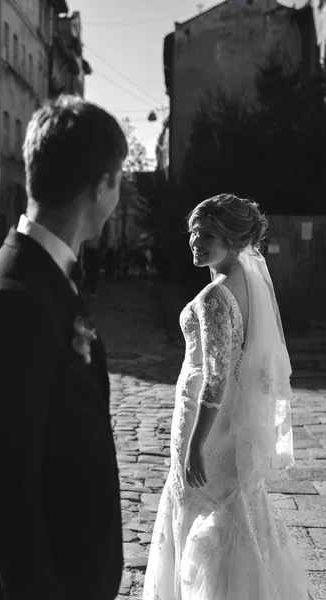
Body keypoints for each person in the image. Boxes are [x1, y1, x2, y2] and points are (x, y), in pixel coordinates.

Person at [0, 95, 127, 600]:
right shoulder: (14, 297)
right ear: (100, 187)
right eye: (118, 181)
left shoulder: (43, 270)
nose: (117, 195)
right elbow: (8, 493)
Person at [143, 194, 310, 600]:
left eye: (208, 234)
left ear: (234, 240)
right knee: (238, 511)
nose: (196, 241)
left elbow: (215, 380)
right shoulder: (248, 287)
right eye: (194, 233)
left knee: (201, 505)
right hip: (230, 424)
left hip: (207, 426)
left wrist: (196, 445)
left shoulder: (215, 298)